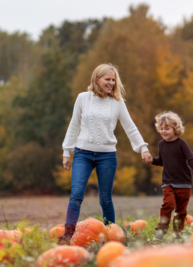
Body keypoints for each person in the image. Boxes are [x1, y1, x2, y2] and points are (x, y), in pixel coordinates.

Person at [58, 63, 152, 244]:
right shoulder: (83, 98)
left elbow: (130, 127)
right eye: (107, 79)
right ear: (97, 79)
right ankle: (68, 234)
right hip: (82, 154)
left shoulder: (117, 103)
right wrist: (66, 151)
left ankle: (112, 237)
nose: (111, 83)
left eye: (113, 80)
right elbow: (74, 125)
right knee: (76, 194)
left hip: (107, 156)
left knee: (105, 199)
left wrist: (143, 148)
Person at [147, 111, 193, 240]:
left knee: (181, 211)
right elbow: (161, 161)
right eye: (161, 128)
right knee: (168, 204)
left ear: (175, 129)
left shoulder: (181, 143)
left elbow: (191, 158)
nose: (163, 131)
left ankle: (177, 233)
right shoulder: (161, 144)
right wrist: (152, 160)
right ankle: (162, 230)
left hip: (184, 183)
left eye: (167, 128)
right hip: (168, 182)